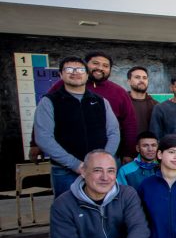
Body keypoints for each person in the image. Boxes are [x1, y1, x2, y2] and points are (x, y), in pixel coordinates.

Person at [34, 56, 120, 197]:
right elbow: (43, 138)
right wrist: (75, 164)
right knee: (68, 212)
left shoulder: (100, 101)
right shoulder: (49, 101)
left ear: (87, 75)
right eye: (69, 69)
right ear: (61, 74)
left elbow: (113, 132)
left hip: (100, 169)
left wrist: (102, 160)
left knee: (102, 209)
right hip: (65, 170)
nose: (75, 72)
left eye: (80, 69)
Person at [38, 52, 137, 164]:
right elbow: (42, 123)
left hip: (107, 159)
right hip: (65, 164)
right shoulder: (59, 88)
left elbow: (128, 124)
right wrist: (35, 145)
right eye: (95, 63)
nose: (100, 68)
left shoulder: (117, 93)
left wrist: (128, 153)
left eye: (105, 66)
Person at [127, 66, 157, 135]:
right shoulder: (122, 102)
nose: (142, 80)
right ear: (129, 81)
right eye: (137, 77)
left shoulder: (156, 105)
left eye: (144, 78)